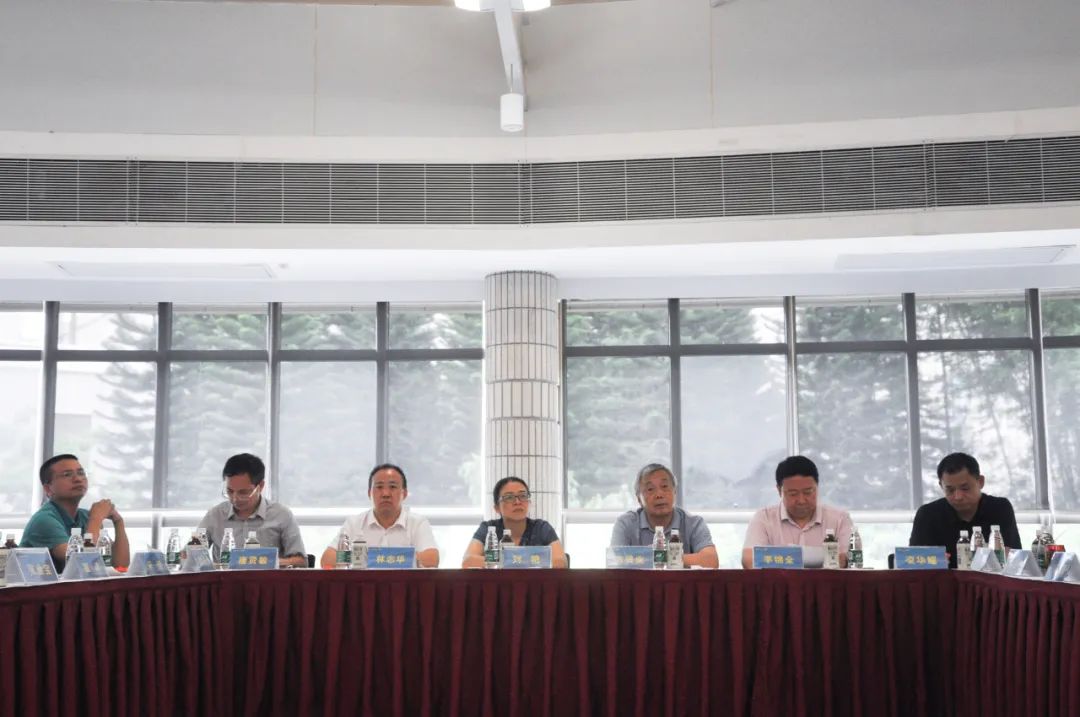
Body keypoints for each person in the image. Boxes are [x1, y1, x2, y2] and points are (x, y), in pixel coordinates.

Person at [909, 452, 1021, 568]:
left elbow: (1015, 559)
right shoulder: (927, 515)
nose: (958, 496)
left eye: (965, 488)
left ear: (980, 482)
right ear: (941, 486)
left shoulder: (1000, 508)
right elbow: (912, 562)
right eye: (950, 490)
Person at [20, 454, 130, 571]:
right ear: (48, 488)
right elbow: (81, 562)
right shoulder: (44, 520)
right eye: (67, 474)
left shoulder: (85, 516)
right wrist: (96, 519)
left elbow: (120, 565)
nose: (78, 479)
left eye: (81, 473)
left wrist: (118, 521)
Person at [197, 453, 307, 568]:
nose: (235, 498)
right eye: (230, 491)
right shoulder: (215, 515)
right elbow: (191, 554)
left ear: (260, 486)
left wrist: (268, 562)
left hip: (266, 578)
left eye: (243, 492)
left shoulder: (281, 515)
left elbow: (301, 561)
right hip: (225, 579)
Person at [741, 455, 852, 569]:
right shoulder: (764, 518)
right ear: (779, 490)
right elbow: (749, 560)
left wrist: (782, 558)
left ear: (817, 487)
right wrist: (819, 558)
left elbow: (848, 560)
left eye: (808, 492)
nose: (801, 500)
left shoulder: (839, 519)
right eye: (793, 494)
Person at [320, 464, 439, 568]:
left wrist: (371, 558)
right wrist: (363, 557)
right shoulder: (354, 523)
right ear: (369, 493)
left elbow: (432, 559)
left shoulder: (417, 523)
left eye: (392, 487)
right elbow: (327, 560)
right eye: (379, 487)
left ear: (404, 493)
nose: (385, 494)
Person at [609, 463, 719, 568]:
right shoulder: (626, 524)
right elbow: (614, 561)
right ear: (639, 499)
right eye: (650, 489)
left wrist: (661, 556)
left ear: (675, 492)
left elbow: (711, 560)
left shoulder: (694, 523)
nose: (659, 494)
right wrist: (674, 558)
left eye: (665, 486)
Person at [462, 476, 567, 568]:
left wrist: (503, 561)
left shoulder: (542, 528)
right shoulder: (489, 529)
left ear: (529, 502)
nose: (517, 502)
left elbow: (560, 561)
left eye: (523, 496)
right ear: (497, 508)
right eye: (509, 497)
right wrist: (521, 560)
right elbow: (468, 561)